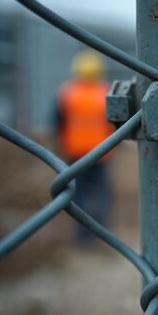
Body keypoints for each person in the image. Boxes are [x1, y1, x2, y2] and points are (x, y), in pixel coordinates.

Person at [55, 49, 113, 244]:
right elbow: (114, 123)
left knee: (77, 194)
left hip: (75, 152)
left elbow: (58, 122)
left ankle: (82, 236)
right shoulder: (105, 92)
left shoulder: (67, 92)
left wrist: (61, 144)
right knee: (99, 193)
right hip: (100, 152)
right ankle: (100, 232)